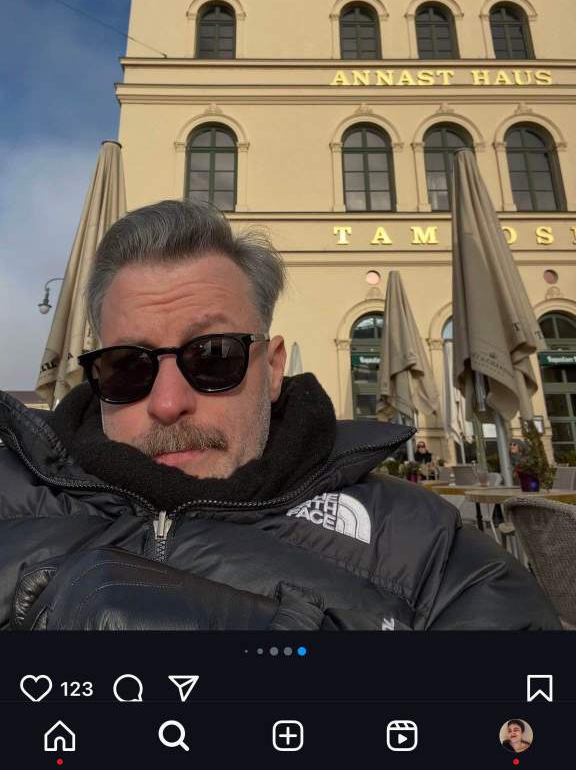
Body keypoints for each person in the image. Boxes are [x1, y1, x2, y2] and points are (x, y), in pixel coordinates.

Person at [0, 200, 562, 631]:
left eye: (212, 356)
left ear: (271, 369)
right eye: (127, 366)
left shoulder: (427, 549)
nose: (169, 403)